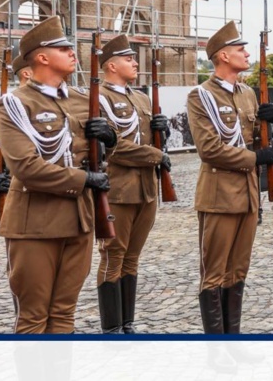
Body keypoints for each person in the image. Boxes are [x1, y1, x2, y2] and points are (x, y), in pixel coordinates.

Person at [0, 16, 116, 333]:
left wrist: (109, 141)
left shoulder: (82, 101)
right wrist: (84, 181)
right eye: (63, 47)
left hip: (79, 220)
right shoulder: (15, 104)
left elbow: (95, 158)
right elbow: (26, 168)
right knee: (34, 317)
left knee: (64, 314)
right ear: (42, 57)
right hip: (35, 222)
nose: (72, 51)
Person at [186, 21, 273, 333]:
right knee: (214, 272)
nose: (247, 54)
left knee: (238, 270)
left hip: (248, 194)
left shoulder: (247, 93)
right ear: (223, 56)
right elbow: (209, 149)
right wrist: (255, 158)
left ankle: (233, 340)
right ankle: (216, 350)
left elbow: (254, 139)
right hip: (219, 196)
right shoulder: (201, 96)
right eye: (241, 49)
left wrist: (272, 126)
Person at [96, 35, 172, 333]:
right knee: (113, 255)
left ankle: (127, 323)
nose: (135, 62)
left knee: (132, 258)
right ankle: (111, 328)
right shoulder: (98, 97)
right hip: (118, 189)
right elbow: (115, 147)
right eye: (129, 59)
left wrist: (161, 134)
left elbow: (145, 139)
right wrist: (157, 154)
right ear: (111, 65)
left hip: (146, 190)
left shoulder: (141, 98)